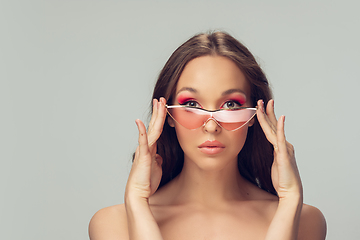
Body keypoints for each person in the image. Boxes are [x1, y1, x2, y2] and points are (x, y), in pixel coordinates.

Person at [89, 31, 326, 240]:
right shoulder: (113, 224)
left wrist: (290, 198)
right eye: (191, 103)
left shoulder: (304, 220)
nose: (211, 126)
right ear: (167, 115)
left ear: (255, 115)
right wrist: (137, 200)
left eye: (231, 105)